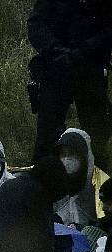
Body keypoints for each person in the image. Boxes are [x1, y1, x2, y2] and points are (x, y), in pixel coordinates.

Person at [27, 0, 112, 172]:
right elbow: (36, 24)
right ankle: (41, 181)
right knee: (48, 135)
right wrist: (55, 50)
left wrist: (84, 51)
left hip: (90, 68)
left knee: (97, 134)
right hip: (56, 68)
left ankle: (98, 184)